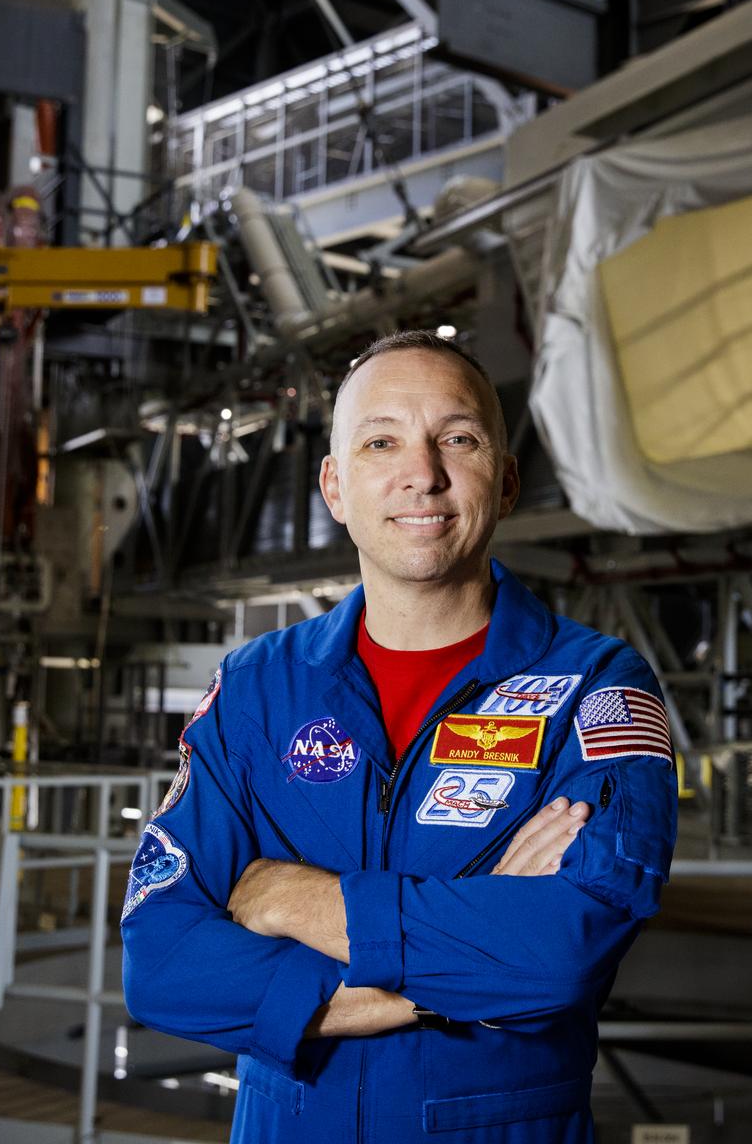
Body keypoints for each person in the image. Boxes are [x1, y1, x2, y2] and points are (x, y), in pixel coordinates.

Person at [120, 330, 678, 1142]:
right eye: (382, 442)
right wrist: (450, 975)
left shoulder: (596, 688)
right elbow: (162, 964)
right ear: (335, 487)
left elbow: (563, 952)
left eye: (459, 439)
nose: (423, 473)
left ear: (506, 481)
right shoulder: (255, 689)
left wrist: (292, 900)